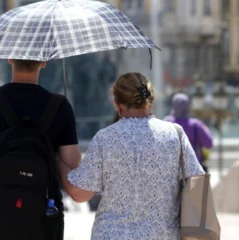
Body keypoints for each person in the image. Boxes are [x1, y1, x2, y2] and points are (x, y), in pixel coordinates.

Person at [58, 72, 205, 240]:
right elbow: (196, 183)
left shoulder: (105, 138)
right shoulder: (175, 135)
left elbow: (79, 193)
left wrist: (59, 164)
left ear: (117, 104)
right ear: (150, 103)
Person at [0, 59, 81, 240]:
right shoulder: (60, 106)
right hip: (45, 215)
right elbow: (72, 166)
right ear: (43, 62)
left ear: (10, 59)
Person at [163, 93, 214, 172]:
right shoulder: (196, 124)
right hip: (193, 171)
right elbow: (209, 143)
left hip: (171, 170)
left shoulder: (165, 123)